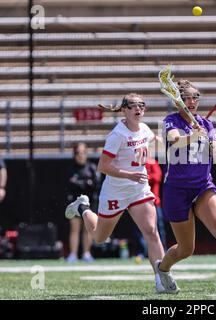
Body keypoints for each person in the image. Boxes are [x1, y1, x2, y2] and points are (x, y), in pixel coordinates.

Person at [156, 79, 216, 295]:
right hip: (177, 190)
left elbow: (215, 151)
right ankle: (162, 269)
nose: (192, 101)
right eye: (187, 98)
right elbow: (174, 140)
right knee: (185, 249)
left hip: (202, 186)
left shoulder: (206, 124)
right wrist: (193, 135)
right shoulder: (171, 121)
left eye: (195, 97)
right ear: (178, 102)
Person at [64, 93, 169, 293]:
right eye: (133, 105)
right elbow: (103, 166)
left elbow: (157, 139)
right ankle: (83, 207)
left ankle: (161, 280)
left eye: (141, 105)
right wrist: (129, 175)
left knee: (152, 232)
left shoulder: (145, 129)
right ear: (124, 109)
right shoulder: (117, 135)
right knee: (98, 238)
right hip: (116, 191)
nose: (139, 109)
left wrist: (178, 137)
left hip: (139, 190)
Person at [66, 142, 100, 263]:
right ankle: (73, 254)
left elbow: (95, 184)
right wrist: (85, 183)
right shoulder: (71, 168)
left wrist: (82, 184)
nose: (80, 156)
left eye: (83, 153)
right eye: (77, 153)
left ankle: (86, 253)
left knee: (88, 228)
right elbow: (71, 184)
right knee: (74, 229)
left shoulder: (91, 167)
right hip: (75, 202)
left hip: (89, 202)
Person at [132, 156, 167, 261]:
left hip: (154, 202)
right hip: (139, 201)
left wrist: (143, 177)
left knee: (158, 227)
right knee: (139, 228)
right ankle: (141, 252)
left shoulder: (152, 162)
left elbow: (158, 177)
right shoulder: (136, 163)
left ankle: (162, 251)